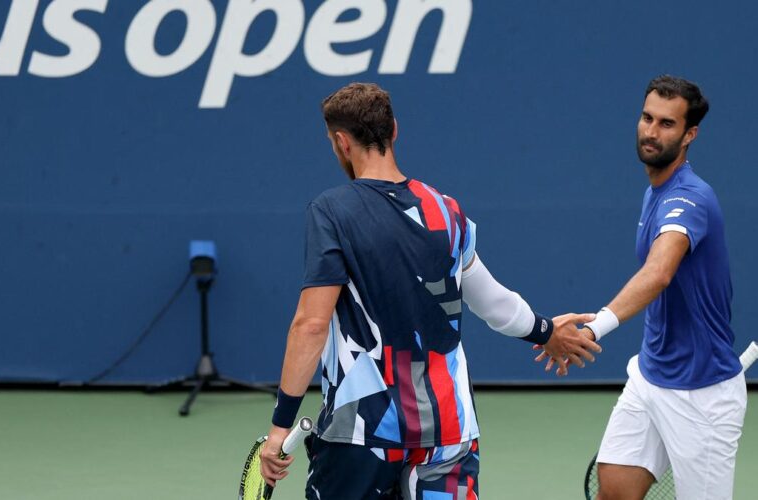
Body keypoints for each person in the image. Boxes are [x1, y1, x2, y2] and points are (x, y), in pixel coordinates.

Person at [259, 82, 600, 499]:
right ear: (394, 130)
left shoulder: (331, 212)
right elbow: (494, 303)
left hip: (362, 434)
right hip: (448, 432)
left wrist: (280, 426)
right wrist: (547, 332)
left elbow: (311, 325)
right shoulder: (446, 210)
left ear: (342, 142)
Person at [571, 76, 747, 499]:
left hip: (702, 397)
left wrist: (595, 327)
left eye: (667, 124)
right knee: (614, 492)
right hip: (651, 377)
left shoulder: (690, 198)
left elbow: (659, 272)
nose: (651, 131)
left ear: (690, 135)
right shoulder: (657, 190)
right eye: (647, 118)